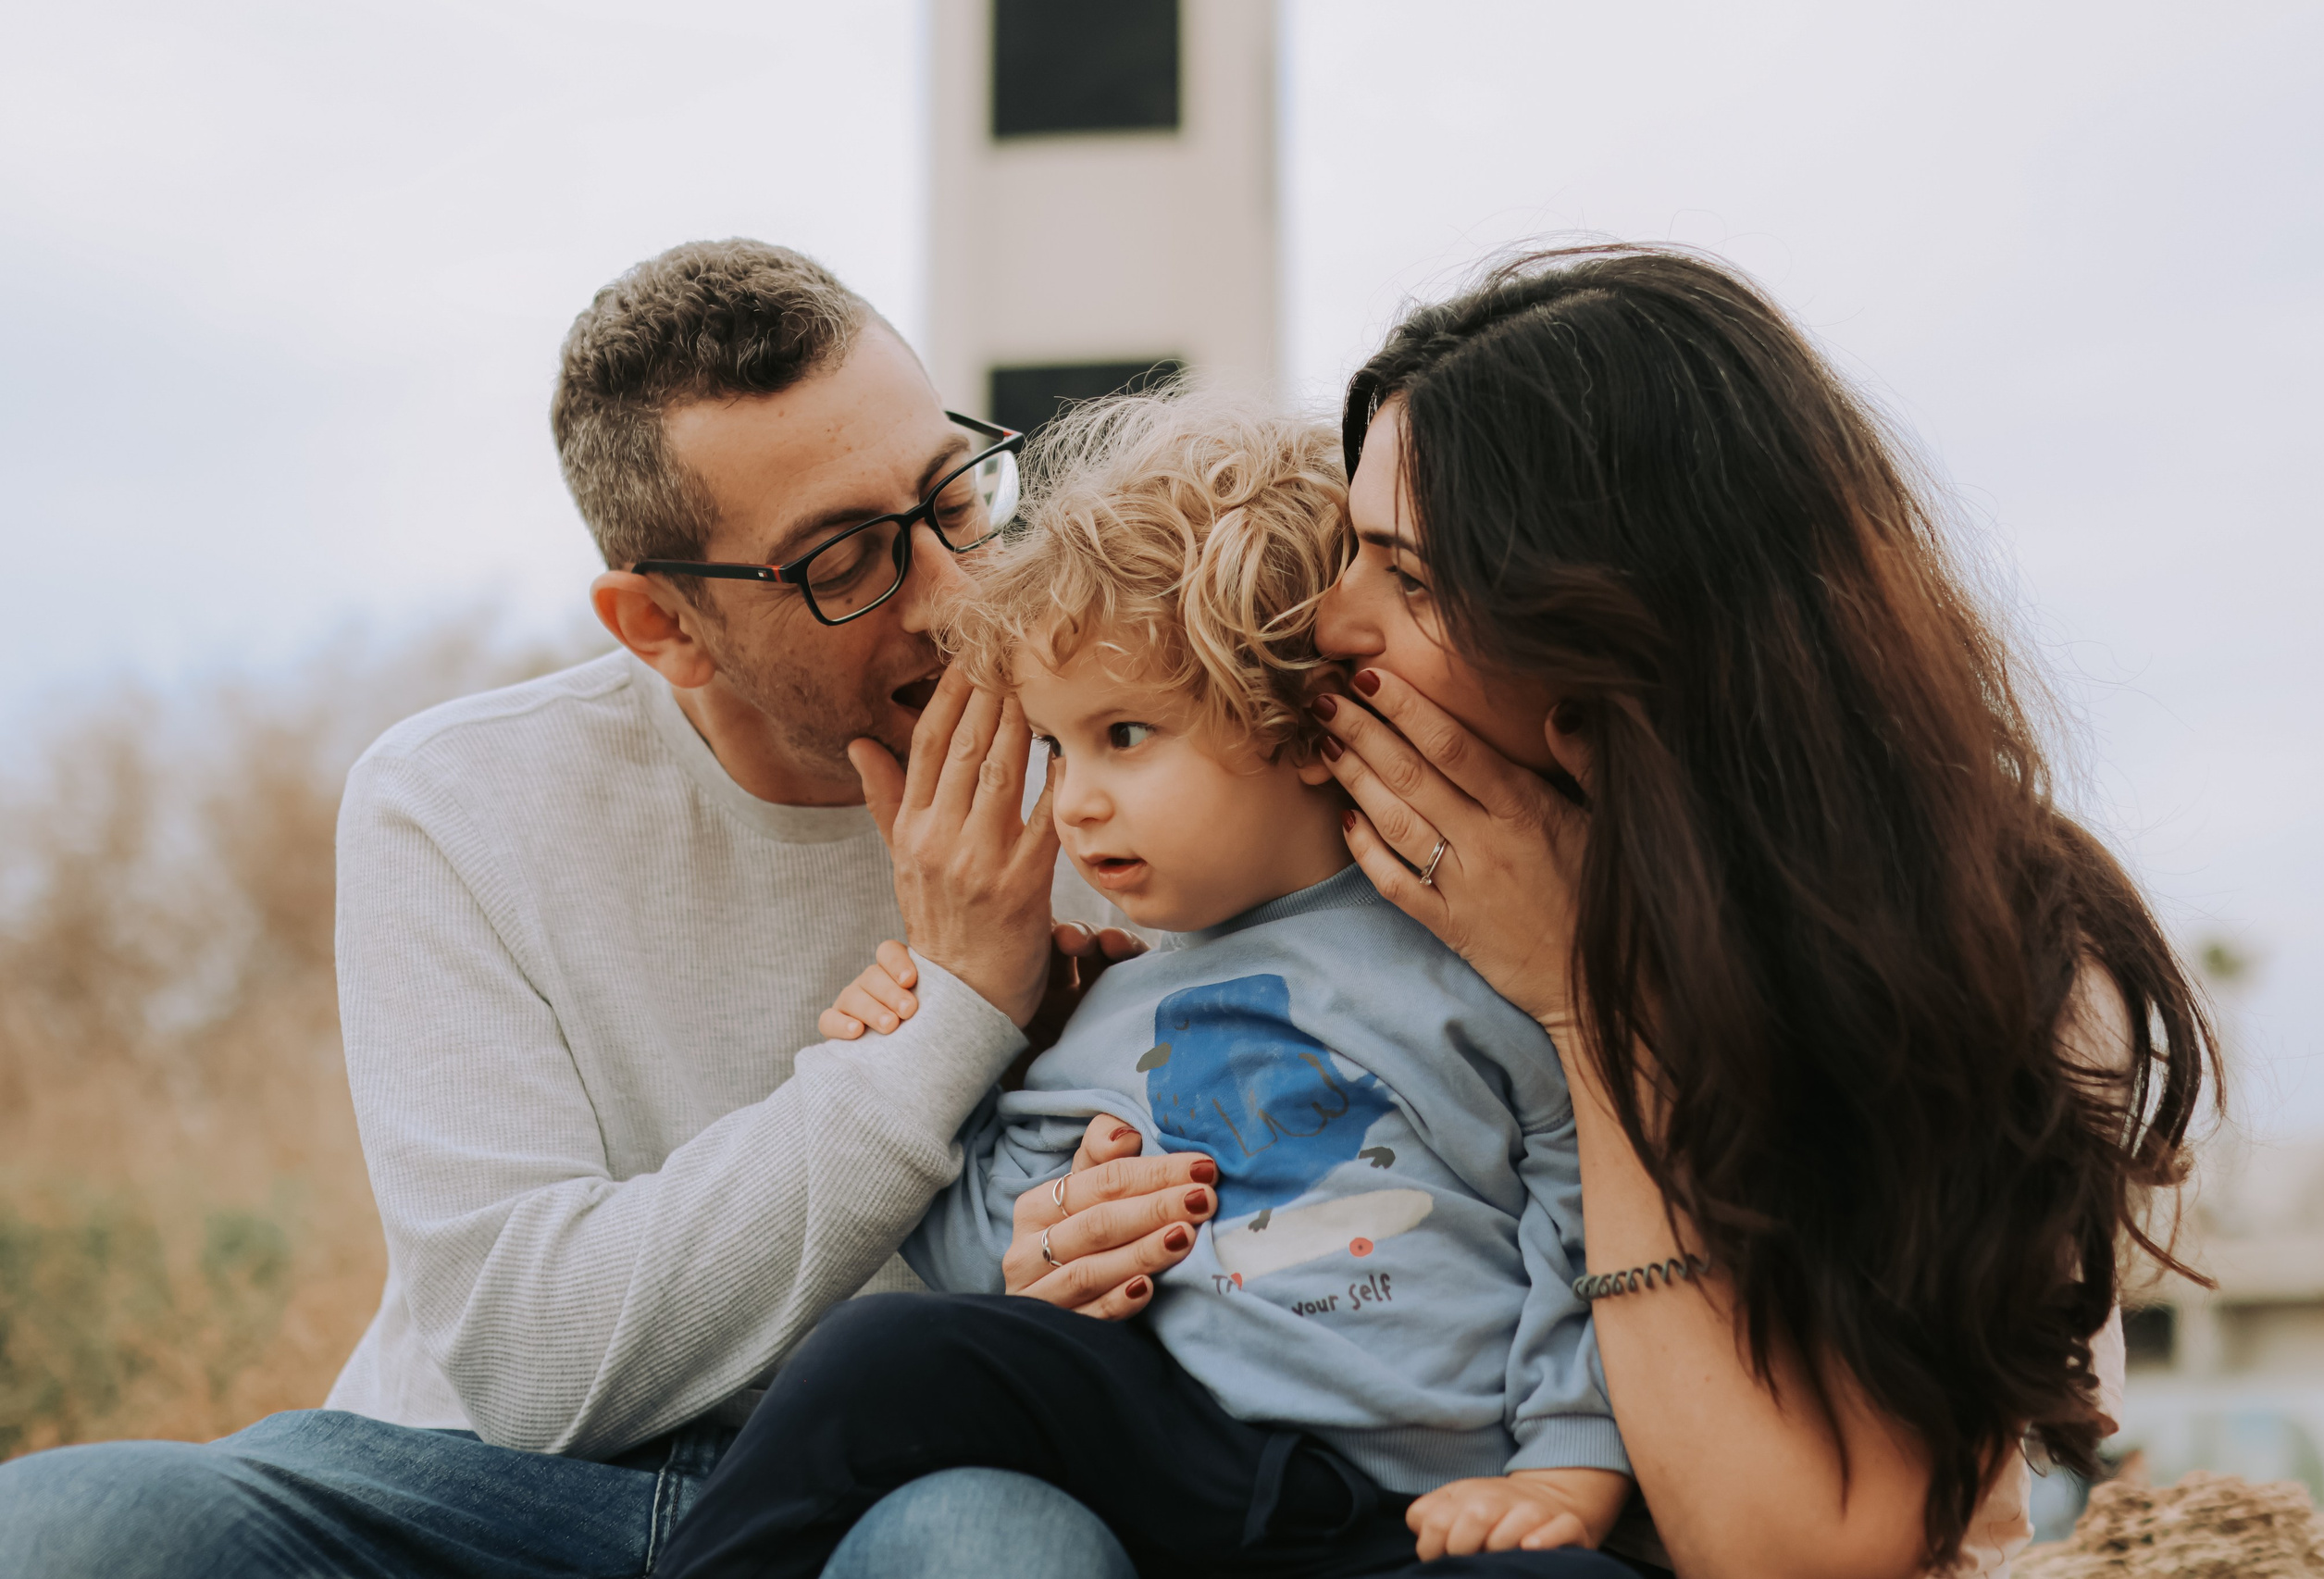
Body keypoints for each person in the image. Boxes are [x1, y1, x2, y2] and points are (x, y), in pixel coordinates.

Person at [0, 240, 1195, 1579]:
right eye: (845, 558)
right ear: (662, 625)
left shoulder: (1135, 774)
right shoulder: (454, 800)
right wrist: (955, 1014)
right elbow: (531, 1357)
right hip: (481, 1488)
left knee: (994, 1554)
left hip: (897, 1488)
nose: (951, 593)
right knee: (62, 1533)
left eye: (953, 496)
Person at [1301, 244, 2210, 1577]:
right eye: (1352, 549)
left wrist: (1582, 998)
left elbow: (1788, 1549)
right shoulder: (1376, 873)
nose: (1331, 620)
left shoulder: (1992, 952)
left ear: (1620, 641)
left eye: (1415, 578)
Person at [655, 392, 1644, 1579]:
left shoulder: (1478, 943)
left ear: (1294, 720)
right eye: (1057, 745)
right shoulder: (1104, 1003)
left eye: (1124, 734)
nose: (1071, 800)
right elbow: (993, 1268)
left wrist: (1567, 1457)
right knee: (884, 1351)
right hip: (1173, 1463)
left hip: (1422, 1511)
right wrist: (940, 1052)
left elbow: (1590, 1201)